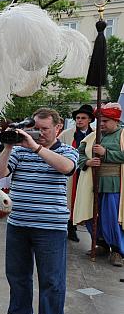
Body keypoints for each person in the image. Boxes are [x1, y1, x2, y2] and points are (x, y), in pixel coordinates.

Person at [0, 108, 78, 314]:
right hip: (18, 223)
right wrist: (8, 146)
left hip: (50, 227)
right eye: (35, 129)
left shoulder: (66, 150)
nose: (38, 134)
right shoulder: (19, 151)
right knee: (17, 274)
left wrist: (37, 148)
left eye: (44, 129)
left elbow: (67, 168)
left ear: (57, 128)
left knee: (52, 282)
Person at [74, 102, 124, 267]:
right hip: (92, 183)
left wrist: (106, 153)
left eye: (105, 121)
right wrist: (87, 161)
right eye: (100, 121)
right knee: (92, 216)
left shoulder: (122, 135)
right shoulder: (92, 136)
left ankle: (117, 250)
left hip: (114, 184)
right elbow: (79, 154)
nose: (101, 124)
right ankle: (101, 244)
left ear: (116, 120)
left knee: (111, 218)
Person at [59, 104, 95, 242]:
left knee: (86, 198)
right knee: (69, 199)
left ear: (89, 120)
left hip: (88, 172)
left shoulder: (96, 133)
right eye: (78, 118)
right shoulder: (67, 134)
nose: (79, 120)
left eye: (83, 118)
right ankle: (71, 227)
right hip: (71, 172)